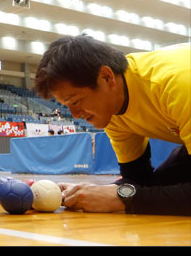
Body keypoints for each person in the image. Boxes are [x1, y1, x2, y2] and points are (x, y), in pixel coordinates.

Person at [34, 35, 190, 215]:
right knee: (159, 185)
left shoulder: (176, 84)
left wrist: (122, 198)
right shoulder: (112, 112)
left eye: (75, 101)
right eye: (66, 105)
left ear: (106, 77)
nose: (75, 114)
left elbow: (135, 194)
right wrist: (88, 193)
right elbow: (138, 180)